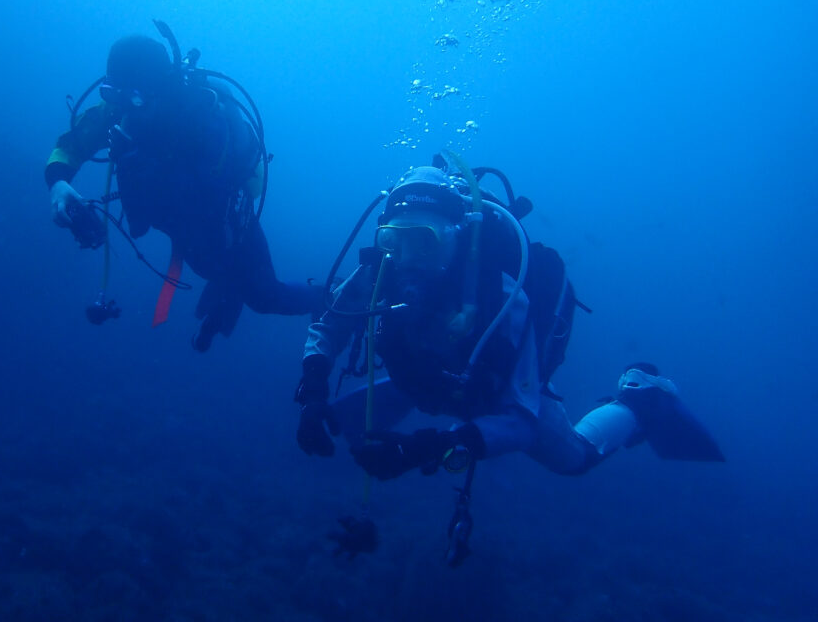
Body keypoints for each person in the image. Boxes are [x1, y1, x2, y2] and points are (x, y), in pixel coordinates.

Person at [294, 163, 723, 558]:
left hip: (496, 394)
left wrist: (429, 446)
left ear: (456, 236)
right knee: (342, 424)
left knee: (574, 459)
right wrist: (313, 388)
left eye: (423, 242)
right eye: (393, 239)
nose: (406, 259)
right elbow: (331, 324)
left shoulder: (500, 295)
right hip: (424, 382)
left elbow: (521, 420)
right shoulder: (382, 268)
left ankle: (640, 396)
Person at [46, 23, 323, 350]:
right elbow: (72, 146)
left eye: (130, 97)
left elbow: (208, 193)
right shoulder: (123, 104)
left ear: (159, 86)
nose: (121, 105)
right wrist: (59, 184)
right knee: (211, 270)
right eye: (112, 94)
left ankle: (333, 296)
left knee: (265, 297)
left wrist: (139, 164)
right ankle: (226, 292)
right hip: (180, 226)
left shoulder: (200, 113)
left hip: (229, 223)